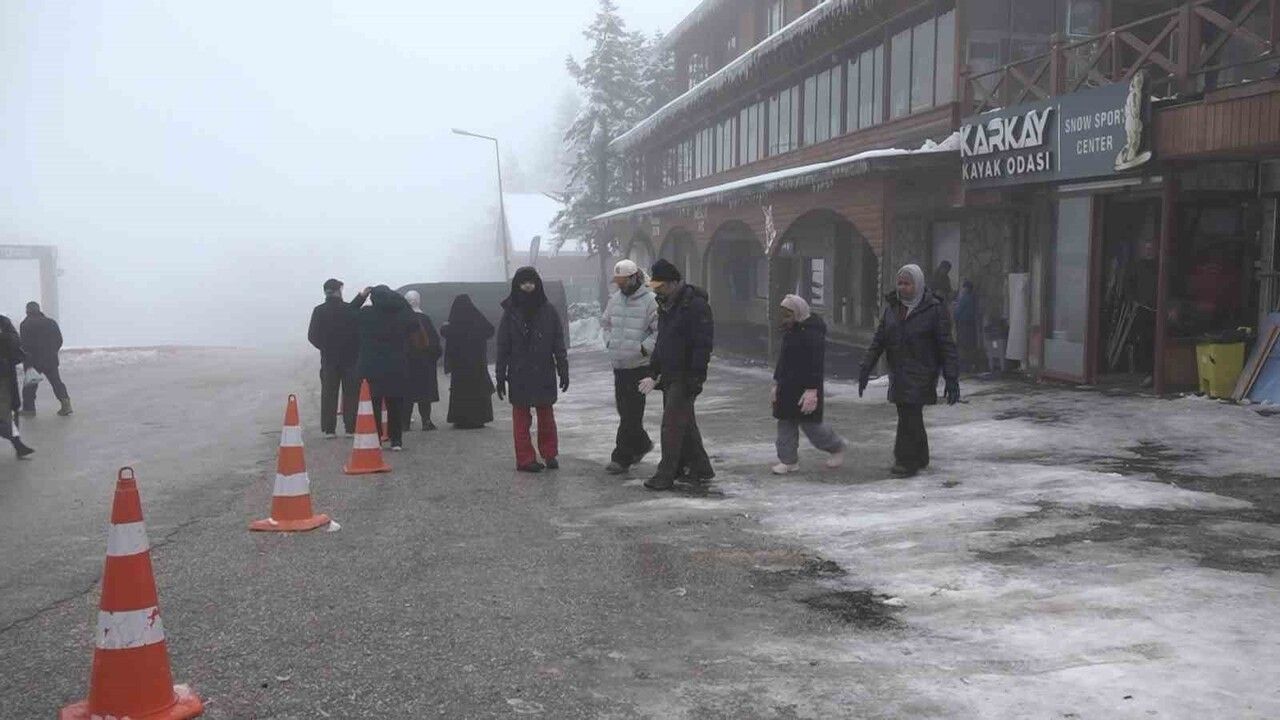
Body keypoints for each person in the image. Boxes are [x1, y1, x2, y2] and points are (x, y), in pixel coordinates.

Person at [859, 264, 960, 478]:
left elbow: (946, 346)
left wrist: (951, 379)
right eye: (900, 283)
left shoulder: (934, 310)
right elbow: (879, 341)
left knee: (909, 415)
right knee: (909, 413)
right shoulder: (892, 309)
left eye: (907, 283)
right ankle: (921, 455)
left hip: (922, 372)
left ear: (918, 284)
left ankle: (905, 461)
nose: (902, 288)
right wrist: (865, 368)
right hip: (899, 371)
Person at [639, 258, 714, 491]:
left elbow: (703, 345)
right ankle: (701, 468)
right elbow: (663, 341)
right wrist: (654, 370)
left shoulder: (695, 306)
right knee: (685, 423)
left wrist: (696, 377)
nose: (657, 290)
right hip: (670, 374)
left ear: (674, 283)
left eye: (660, 286)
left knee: (671, 425)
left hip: (686, 374)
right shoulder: (666, 305)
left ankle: (666, 474)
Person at [496, 267, 569, 473]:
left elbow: (558, 341)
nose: (528, 286)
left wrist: (563, 368)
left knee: (546, 416)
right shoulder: (510, 314)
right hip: (519, 373)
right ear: (517, 285)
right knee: (521, 418)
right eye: (523, 282)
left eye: (531, 282)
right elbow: (503, 347)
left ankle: (550, 453)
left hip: (544, 370)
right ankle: (525, 459)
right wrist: (500, 376)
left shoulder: (548, 311)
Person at [771, 295, 845, 475]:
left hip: (806, 387)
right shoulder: (789, 332)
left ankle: (836, 447)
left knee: (812, 426)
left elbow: (815, 364)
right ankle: (788, 461)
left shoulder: (812, 333)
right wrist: (776, 383)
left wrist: (812, 390)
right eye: (783, 315)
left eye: (788, 315)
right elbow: (783, 360)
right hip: (787, 386)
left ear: (798, 313)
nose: (785, 319)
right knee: (785, 425)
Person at [600, 259, 658, 475]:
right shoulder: (615, 300)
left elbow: (659, 331)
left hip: (639, 366)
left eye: (623, 281)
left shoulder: (650, 301)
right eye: (618, 282)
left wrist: (643, 350)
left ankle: (621, 457)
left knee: (631, 413)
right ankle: (642, 443)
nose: (620, 286)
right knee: (624, 410)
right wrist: (609, 342)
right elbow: (605, 323)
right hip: (619, 365)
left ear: (635, 278)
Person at [355, 285, 421, 451]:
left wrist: (361, 297)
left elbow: (348, 313)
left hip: (371, 367)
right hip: (396, 366)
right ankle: (396, 440)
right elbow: (414, 322)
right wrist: (399, 300)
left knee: (374, 405)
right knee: (395, 404)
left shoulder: (366, 314)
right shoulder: (401, 315)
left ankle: (375, 439)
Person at [308, 279, 366, 437]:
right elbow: (360, 332)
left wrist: (325, 347)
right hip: (350, 359)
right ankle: (350, 428)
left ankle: (329, 429)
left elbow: (312, 336)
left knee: (328, 394)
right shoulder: (349, 309)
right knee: (351, 394)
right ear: (339, 290)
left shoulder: (319, 311)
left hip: (329, 359)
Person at [440, 294, 495, 429]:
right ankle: (479, 418)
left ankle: (460, 419)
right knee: (477, 391)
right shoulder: (477, 319)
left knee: (461, 392)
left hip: (460, 366)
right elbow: (490, 330)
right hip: (477, 364)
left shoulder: (454, 323)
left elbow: (445, 333)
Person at [19, 301, 70, 416]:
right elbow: (59, 340)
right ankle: (66, 404)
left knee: (30, 387)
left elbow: (24, 345)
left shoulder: (25, 324)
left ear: (27, 311)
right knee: (56, 382)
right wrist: (52, 351)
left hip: (33, 361)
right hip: (50, 360)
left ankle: (29, 410)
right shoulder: (51, 322)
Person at [401, 290, 442, 431]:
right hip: (424, 362)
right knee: (424, 394)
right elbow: (434, 342)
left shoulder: (402, 319)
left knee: (407, 394)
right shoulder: (425, 319)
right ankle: (426, 421)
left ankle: (404, 423)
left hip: (407, 362)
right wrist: (433, 357)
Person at [1, 315, 35, 459]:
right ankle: (17, 443)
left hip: (5, 378)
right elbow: (16, 348)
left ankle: (18, 444)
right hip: (4, 379)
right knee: (6, 413)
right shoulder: (6, 333)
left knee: (8, 413)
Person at [953, 280, 981, 373]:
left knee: (963, 344)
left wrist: (954, 313)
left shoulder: (964, 298)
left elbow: (958, 311)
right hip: (971, 324)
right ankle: (971, 365)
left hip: (963, 323)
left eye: (963, 287)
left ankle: (963, 366)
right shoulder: (973, 298)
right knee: (970, 344)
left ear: (966, 288)